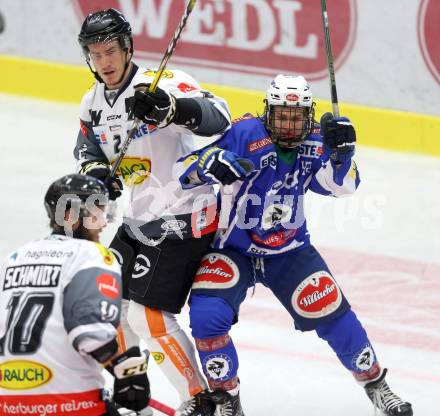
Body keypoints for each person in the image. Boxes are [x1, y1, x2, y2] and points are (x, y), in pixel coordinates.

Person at [176, 74, 413, 416]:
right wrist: (207, 167)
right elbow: (183, 169)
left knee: (333, 313)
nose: (289, 125)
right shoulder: (244, 134)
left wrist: (342, 156)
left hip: (288, 250)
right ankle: (226, 398)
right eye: (282, 116)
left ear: (309, 115)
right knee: (207, 316)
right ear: (268, 113)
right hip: (233, 249)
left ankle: (377, 385)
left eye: (297, 116)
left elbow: (340, 187)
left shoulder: (318, 139)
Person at [74, 8, 231, 416]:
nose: (103, 62)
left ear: (127, 48)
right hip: (140, 220)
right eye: (94, 54)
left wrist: (172, 110)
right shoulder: (92, 102)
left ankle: (201, 401)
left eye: (110, 51)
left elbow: (220, 118)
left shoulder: (162, 83)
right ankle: (133, 390)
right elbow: (88, 149)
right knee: (112, 309)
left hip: (185, 215)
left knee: (147, 316)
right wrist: (98, 176)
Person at [0, 174, 149, 416]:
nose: (104, 223)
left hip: (9, 403)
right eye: (97, 213)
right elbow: (90, 332)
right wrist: (125, 371)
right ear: (70, 215)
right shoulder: (92, 254)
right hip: (73, 402)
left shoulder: (15, 258)